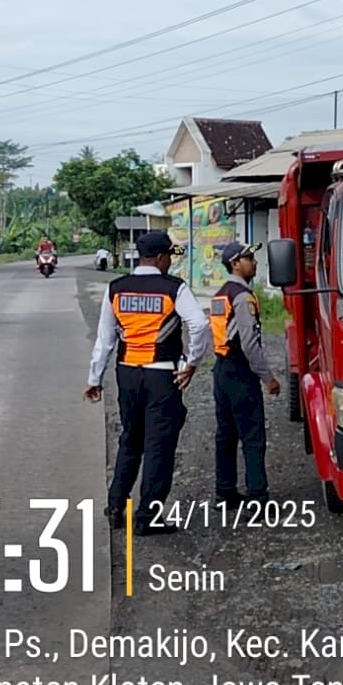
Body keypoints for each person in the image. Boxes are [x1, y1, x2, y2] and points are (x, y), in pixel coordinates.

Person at [83, 230, 208, 536]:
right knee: (158, 446)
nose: (170, 263)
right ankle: (147, 516)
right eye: (169, 257)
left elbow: (105, 339)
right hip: (161, 375)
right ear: (161, 257)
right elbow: (199, 324)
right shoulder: (173, 288)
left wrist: (94, 378)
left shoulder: (116, 288)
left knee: (131, 438)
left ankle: (116, 506)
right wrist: (191, 362)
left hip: (126, 373)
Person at [210, 242, 281, 509]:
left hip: (221, 369)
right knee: (252, 436)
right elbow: (250, 344)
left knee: (225, 434)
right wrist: (268, 378)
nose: (255, 262)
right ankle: (258, 497)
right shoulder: (242, 297)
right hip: (240, 370)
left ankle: (225, 491)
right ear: (234, 264)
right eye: (249, 258)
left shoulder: (220, 294)